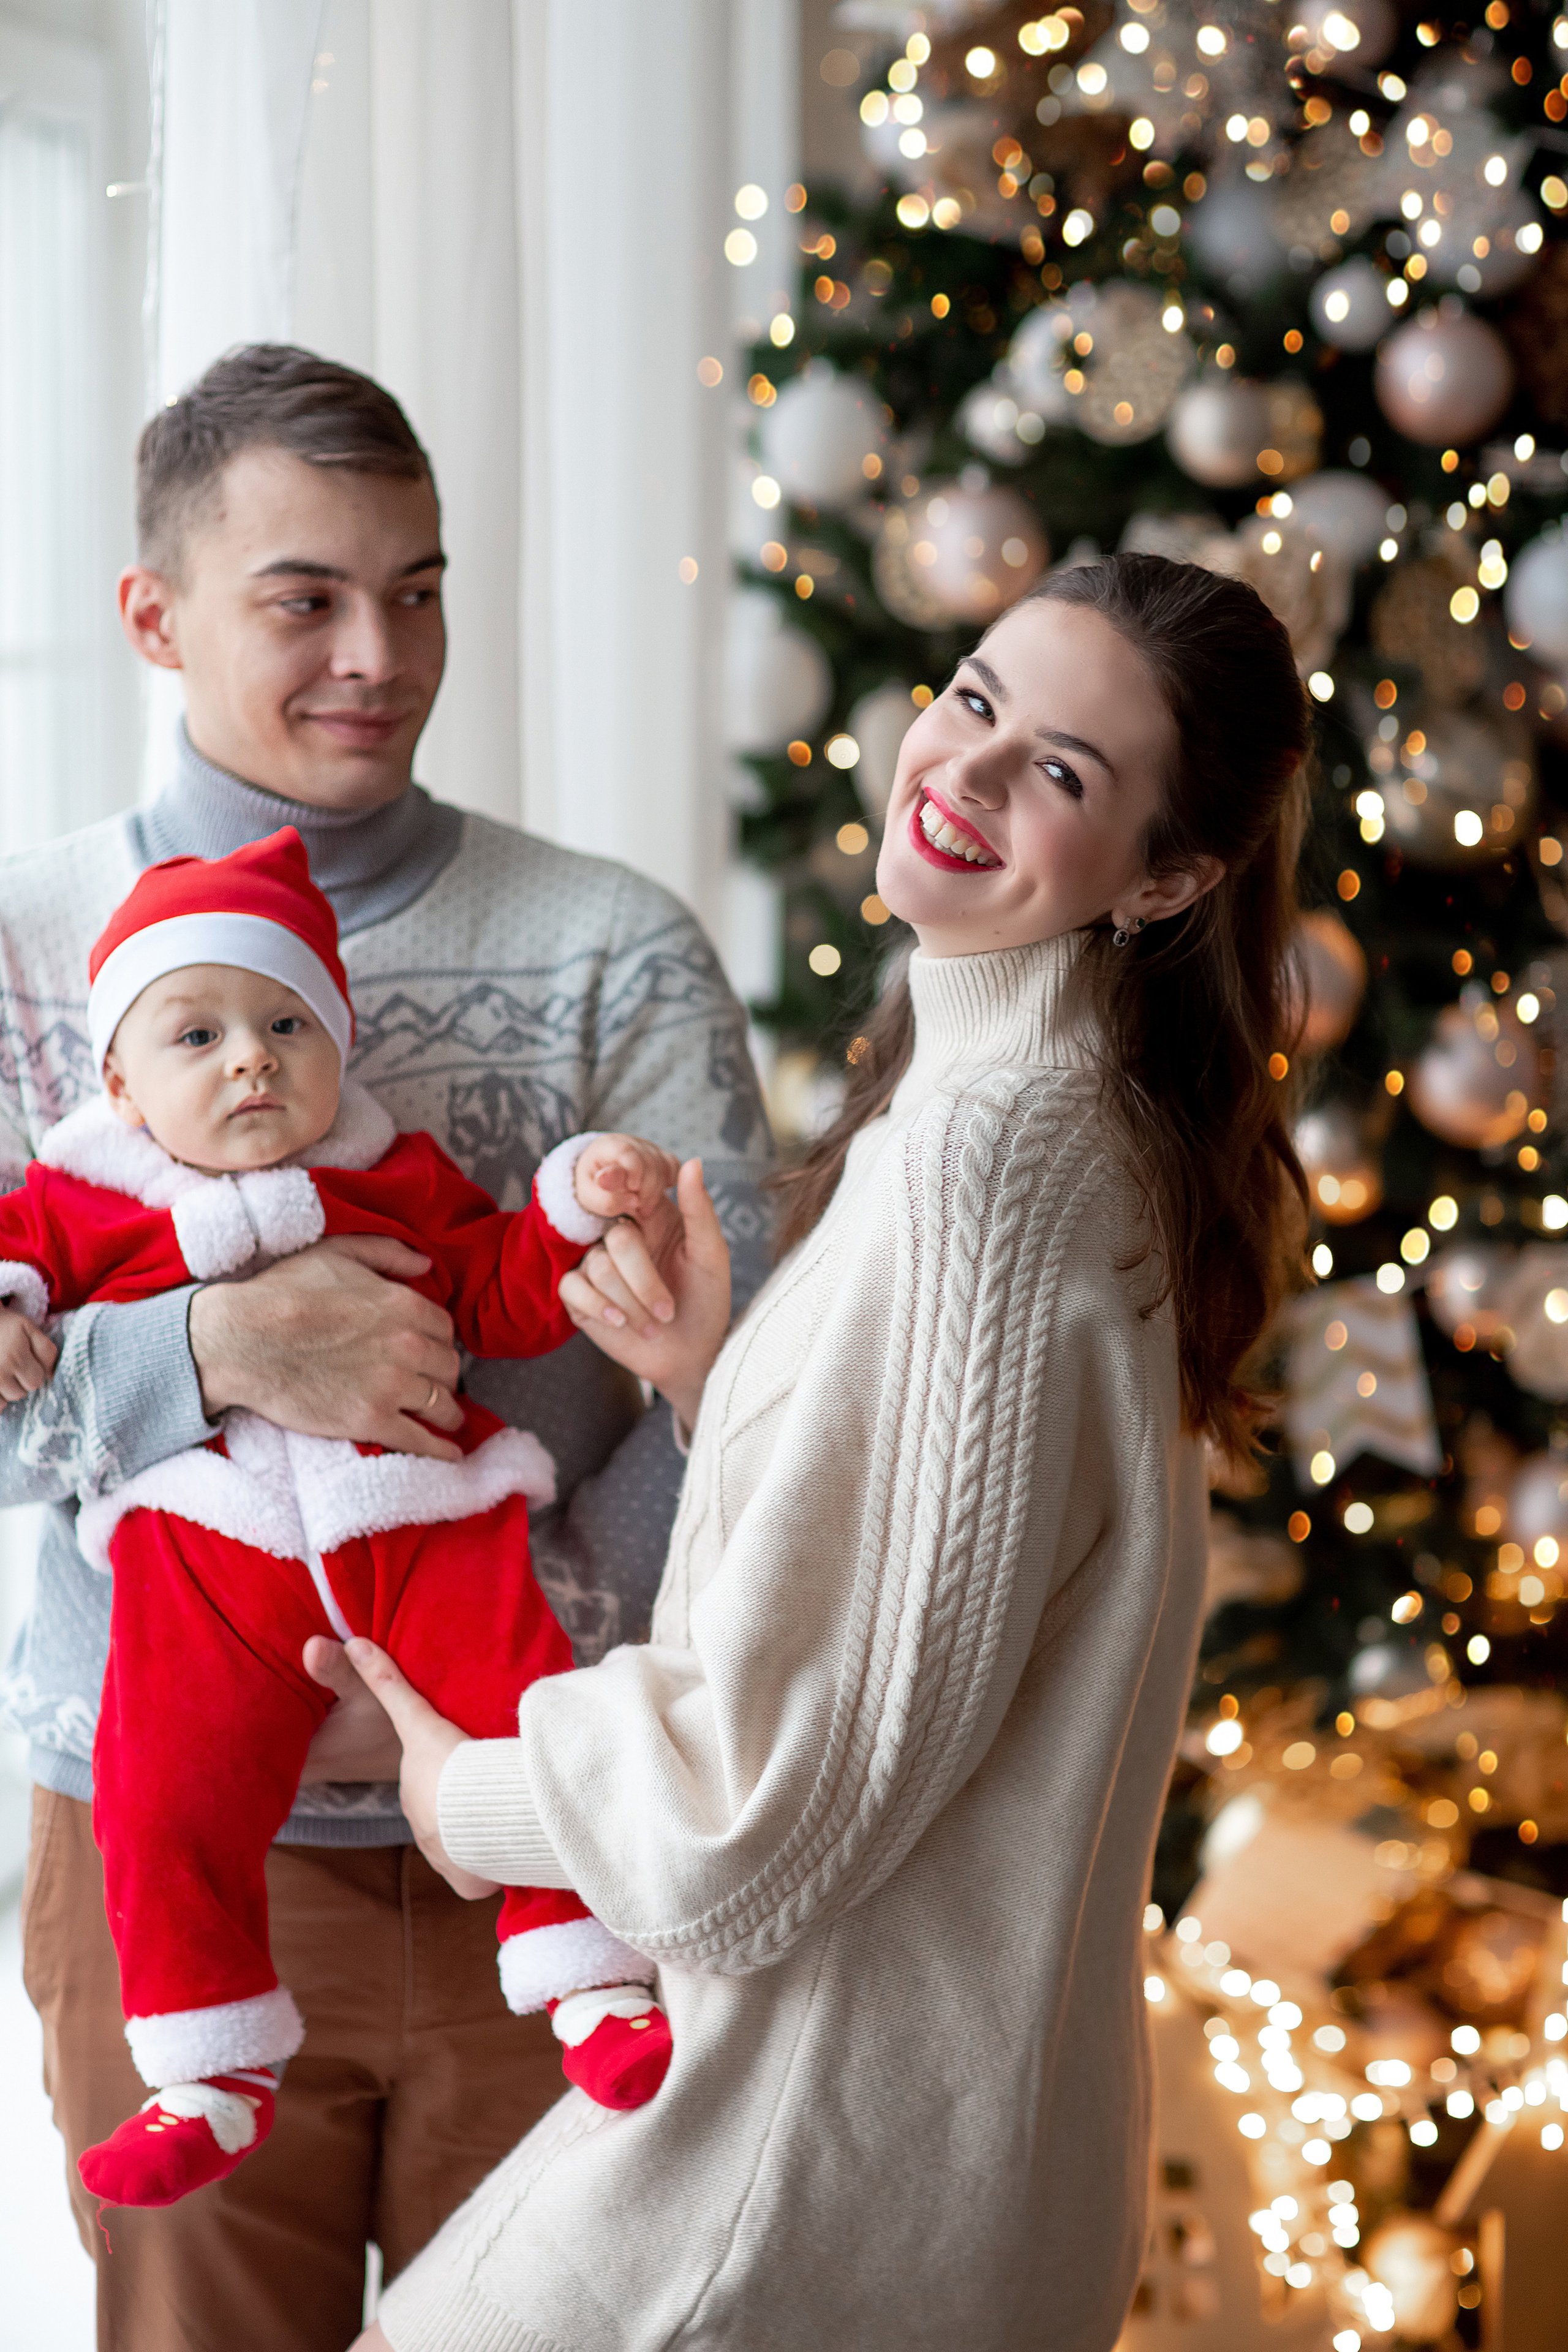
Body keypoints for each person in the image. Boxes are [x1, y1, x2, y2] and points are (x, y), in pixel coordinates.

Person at [339, 554, 1313, 2352]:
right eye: (975, 698)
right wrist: (728, 1389)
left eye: (1067, 775)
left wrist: (468, 1792)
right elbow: (944, 1630)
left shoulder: (991, 1167)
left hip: (788, 2199)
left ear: (1170, 878)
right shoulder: (1037, 1123)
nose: (972, 772)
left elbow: (764, 1815)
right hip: (931, 2192)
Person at [1, 346, 769, 2344]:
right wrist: (223, 1349)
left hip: (558, 1820)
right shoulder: (19, 952)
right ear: (153, 616)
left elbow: (740, 1391)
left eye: (419, 589)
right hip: (173, 1845)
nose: (380, 652)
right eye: (307, 598)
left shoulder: (609, 942)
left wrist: (451, 1692)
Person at [0, 826, 709, 2209]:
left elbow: (493, 1294)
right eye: (194, 1036)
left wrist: (564, 1207)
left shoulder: (389, 1174)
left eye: (284, 1024)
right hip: (207, 1553)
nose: (249, 1059)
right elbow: (21, 1259)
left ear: (338, 1045)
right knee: (163, 1788)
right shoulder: (84, 1198)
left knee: (527, 1712)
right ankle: (205, 2069)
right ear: (121, 1087)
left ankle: (592, 1977)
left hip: (419, 1515)